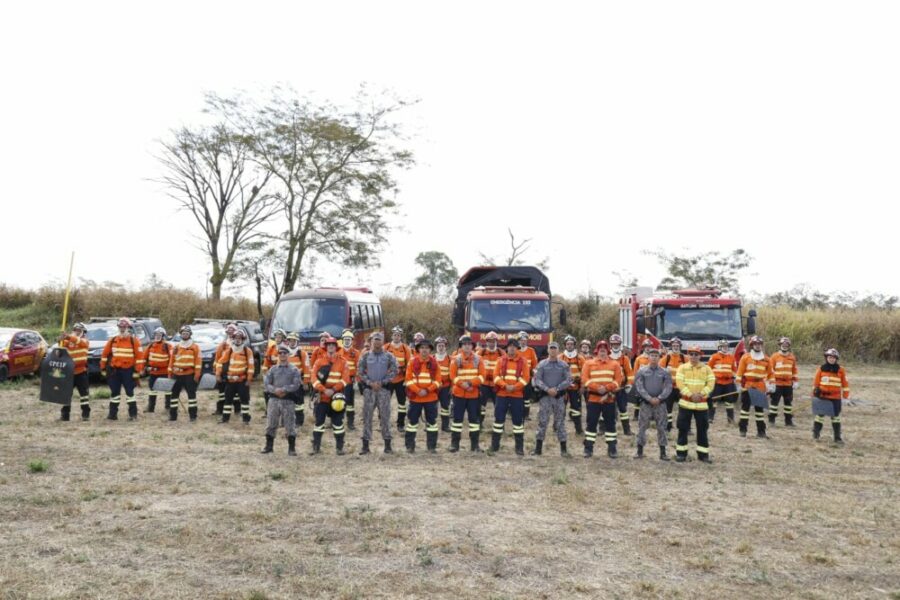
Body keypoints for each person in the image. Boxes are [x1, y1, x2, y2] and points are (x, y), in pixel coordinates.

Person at [357, 332, 398, 455]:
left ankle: (388, 446)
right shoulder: (365, 356)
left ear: (382, 341)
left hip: (384, 391)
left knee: (385, 417)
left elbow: (395, 370)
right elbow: (360, 371)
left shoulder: (389, 356)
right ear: (371, 341)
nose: (377, 342)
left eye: (379, 339)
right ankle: (365, 446)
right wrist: (370, 383)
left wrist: (383, 381)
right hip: (369, 391)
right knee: (367, 417)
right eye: (375, 339)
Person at [581, 340, 623, 458]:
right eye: (600, 349)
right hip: (594, 398)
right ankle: (588, 449)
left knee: (610, 424)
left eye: (604, 349)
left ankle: (612, 449)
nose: (602, 351)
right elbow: (584, 379)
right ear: (597, 351)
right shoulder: (588, 363)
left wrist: (606, 388)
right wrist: (597, 387)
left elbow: (618, 380)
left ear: (608, 351)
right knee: (591, 424)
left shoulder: (615, 364)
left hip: (609, 398)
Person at [531, 341, 574, 456]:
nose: (553, 350)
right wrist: (547, 389)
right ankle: (538, 449)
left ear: (558, 350)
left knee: (560, 423)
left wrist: (557, 389)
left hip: (559, 397)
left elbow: (569, 379)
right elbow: (537, 379)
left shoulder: (564, 365)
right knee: (542, 422)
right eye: (551, 348)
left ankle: (564, 450)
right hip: (545, 398)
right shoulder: (542, 364)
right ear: (548, 350)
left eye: (555, 348)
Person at [674, 346, 715, 463]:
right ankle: (681, 454)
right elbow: (679, 383)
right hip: (686, 404)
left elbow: (711, 384)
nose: (693, 356)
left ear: (700, 355)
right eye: (691, 354)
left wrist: (701, 394)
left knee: (702, 430)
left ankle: (703, 455)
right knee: (682, 429)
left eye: (696, 354)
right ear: (688, 355)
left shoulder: (707, 369)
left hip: (701, 405)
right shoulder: (682, 368)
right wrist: (691, 395)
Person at [310, 337, 350, 455]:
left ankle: (340, 448)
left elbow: (345, 379)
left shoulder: (343, 362)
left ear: (336, 347)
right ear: (326, 347)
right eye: (328, 345)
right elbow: (313, 379)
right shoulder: (319, 361)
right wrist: (323, 389)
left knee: (338, 424)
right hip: (322, 397)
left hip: (337, 397)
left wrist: (333, 389)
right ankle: (316, 447)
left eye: (333, 344)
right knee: (319, 423)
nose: (331, 346)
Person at [490, 339, 530, 455]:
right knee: (498, 421)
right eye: (510, 346)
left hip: (517, 395)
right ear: (506, 348)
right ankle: (494, 446)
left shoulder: (523, 361)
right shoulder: (500, 360)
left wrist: (515, 387)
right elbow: (496, 376)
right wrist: (504, 385)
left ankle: (519, 448)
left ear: (517, 348)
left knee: (518, 422)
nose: (512, 348)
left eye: (514, 346)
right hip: (502, 395)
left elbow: (526, 378)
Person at [100, 317, 145, 421]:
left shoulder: (134, 341)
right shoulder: (112, 340)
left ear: (128, 327)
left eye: (124, 326)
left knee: (130, 393)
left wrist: (137, 371)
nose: (122, 328)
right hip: (114, 371)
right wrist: (103, 368)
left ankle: (133, 415)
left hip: (128, 371)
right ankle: (112, 415)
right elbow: (104, 355)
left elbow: (139, 357)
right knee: (114, 393)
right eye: (120, 326)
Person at [261, 346, 302, 456]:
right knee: (271, 424)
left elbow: (296, 384)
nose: (282, 355)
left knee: (290, 424)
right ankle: (269, 446)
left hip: (288, 401)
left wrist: (284, 389)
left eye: (285, 353)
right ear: (278, 355)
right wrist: (275, 390)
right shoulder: (273, 369)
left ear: (288, 355)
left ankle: (291, 449)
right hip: (274, 400)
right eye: (280, 353)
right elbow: (267, 383)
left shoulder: (294, 370)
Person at [633, 347, 672, 460]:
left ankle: (663, 453)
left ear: (659, 358)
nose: (654, 358)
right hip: (646, 404)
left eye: (656, 356)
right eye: (652, 355)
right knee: (642, 427)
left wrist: (659, 398)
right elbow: (639, 387)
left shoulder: (665, 372)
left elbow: (668, 387)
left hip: (660, 404)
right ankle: (639, 451)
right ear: (648, 357)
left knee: (662, 427)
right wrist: (649, 398)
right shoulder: (642, 371)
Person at [448, 335, 485, 453]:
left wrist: (470, 384)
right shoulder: (456, 359)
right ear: (461, 346)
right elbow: (452, 376)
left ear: (472, 346)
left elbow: (482, 376)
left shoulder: (478, 359)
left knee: (474, 421)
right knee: (457, 421)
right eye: (465, 344)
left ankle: (475, 445)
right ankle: (455, 444)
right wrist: (462, 385)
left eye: (469, 344)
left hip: (473, 395)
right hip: (459, 395)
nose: (467, 346)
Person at [404, 338, 442, 453]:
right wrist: (417, 391)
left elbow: (438, 381)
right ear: (418, 350)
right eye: (422, 348)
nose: (424, 350)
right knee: (412, 423)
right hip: (416, 398)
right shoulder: (412, 362)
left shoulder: (435, 363)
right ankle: (410, 446)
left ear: (430, 350)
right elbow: (408, 380)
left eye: (427, 348)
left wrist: (427, 390)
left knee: (432, 423)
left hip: (431, 398)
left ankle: (431, 447)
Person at [736, 335, 775, 438]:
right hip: (747, 386)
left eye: (759, 344)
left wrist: (771, 385)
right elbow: (740, 372)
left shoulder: (767, 359)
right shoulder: (745, 357)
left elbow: (771, 374)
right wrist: (738, 384)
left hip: (760, 386)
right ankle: (742, 430)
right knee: (745, 410)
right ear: (751, 345)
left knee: (759, 411)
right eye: (755, 344)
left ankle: (761, 432)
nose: (757, 346)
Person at [217, 329, 255, 424]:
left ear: (243, 339)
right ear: (233, 339)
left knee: (244, 400)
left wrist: (249, 379)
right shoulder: (229, 350)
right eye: (236, 338)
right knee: (228, 400)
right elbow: (220, 362)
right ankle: (225, 419)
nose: (238, 340)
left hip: (242, 380)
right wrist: (218, 374)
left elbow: (251, 366)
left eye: (240, 338)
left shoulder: (247, 351)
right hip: (230, 381)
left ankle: (246, 419)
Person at [813, 348, 850, 444]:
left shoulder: (841, 370)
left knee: (836, 417)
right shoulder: (821, 369)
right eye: (830, 357)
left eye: (834, 358)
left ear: (836, 359)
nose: (832, 359)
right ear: (826, 358)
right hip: (823, 397)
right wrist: (815, 392)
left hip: (835, 398)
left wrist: (845, 397)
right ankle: (816, 433)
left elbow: (845, 385)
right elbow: (816, 383)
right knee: (819, 416)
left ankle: (837, 437)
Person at [168, 325, 202, 422]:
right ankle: (173, 416)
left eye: (187, 333)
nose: (185, 335)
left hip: (189, 374)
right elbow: (172, 360)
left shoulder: (195, 347)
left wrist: (197, 375)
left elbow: (198, 362)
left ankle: (193, 416)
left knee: (191, 396)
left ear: (190, 334)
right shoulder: (177, 347)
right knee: (174, 396)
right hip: (177, 374)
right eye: (183, 333)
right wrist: (170, 372)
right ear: (181, 334)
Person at [57, 322, 90, 421]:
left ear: (83, 331)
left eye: (79, 330)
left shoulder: (84, 341)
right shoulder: (69, 341)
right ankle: (65, 415)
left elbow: (78, 341)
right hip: (69, 372)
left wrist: (68, 336)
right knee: (66, 395)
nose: (77, 331)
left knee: (84, 395)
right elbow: (61, 348)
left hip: (81, 372)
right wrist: (60, 340)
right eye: (75, 330)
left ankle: (85, 414)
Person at [476, 331, 504, 429]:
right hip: (483, 384)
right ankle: (479, 423)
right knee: (481, 405)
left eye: (493, 341)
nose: (491, 343)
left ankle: (499, 424)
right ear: (486, 342)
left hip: (496, 384)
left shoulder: (501, 353)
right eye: (490, 341)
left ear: (496, 341)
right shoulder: (481, 352)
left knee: (499, 405)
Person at [386, 326, 413, 432]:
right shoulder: (386, 347)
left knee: (402, 403)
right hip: (388, 380)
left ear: (401, 336)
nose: (396, 337)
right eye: (395, 335)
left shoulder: (406, 348)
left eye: (398, 335)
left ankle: (400, 424)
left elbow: (410, 364)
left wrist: (404, 374)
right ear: (392, 336)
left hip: (401, 380)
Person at [769, 336, 799, 427]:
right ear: (780, 345)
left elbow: (794, 371)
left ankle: (788, 421)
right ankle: (772, 420)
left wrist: (795, 381)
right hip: (777, 384)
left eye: (787, 345)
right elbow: (770, 371)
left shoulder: (792, 357)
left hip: (788, 384)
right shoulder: (774, 356)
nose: (785, 346)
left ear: (789, 346)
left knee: (788, 404)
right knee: (774, 403)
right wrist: (771, 383)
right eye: (783, 344)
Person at [609, 334, 635, 435]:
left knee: (623, 409)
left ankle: (627, 430)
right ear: (610, 345)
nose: (615, 346)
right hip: (609, 388)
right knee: (607, 409)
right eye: (614, 344)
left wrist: (629, 384)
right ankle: (603, 428)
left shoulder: (625, 359)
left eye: (617, 344)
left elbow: (630, 373)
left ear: (620, 345)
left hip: (621, 388)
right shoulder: (607, 357)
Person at [707, 339, 738, 423]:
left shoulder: (732, 357)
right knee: (713, 400)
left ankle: (730, 419)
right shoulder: (714, 356)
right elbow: (708, 369)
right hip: (717, 382)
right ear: (719, 347)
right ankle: (710, 418)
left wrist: (734, 377)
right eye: (723, 346)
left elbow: (735, 370)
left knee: (729, 402)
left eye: (726, 346)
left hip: (728, 383)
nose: (725, 348)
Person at [284, 332, 311, 426]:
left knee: (299, 403)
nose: (292, 342)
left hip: (298, 382)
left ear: (297, 341)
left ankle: (299, 421)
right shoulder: (284, 353)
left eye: (293, 340)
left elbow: (307, 368)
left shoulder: (302, 353)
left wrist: (305, 382)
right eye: (290, 340)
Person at [143, 327, 172, 414]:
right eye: (156, 335)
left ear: (163, 336)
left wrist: (171, 371)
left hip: (164, 372)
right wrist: (144, 368)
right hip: (153, 372)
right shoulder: (151, 346)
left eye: (159, 335)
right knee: (152, 390)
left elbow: (172, 359)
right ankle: (151, 408)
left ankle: (168, 408)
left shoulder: (168, 346)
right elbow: (144, 358)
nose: (157, 337)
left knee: (168, 391)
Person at [560, 335, 585, 435]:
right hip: (563, 388)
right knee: (561, 409)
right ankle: (558, 428)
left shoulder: (580, 358)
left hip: (576, 388)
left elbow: (585, 373)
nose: (569, 346)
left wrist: (583, 386)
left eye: (571, 344)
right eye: (567, 344)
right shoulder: (560, 357)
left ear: (574, 345)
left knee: (576, 409)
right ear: (565, 345)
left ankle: (578, 430)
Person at [212, 323, 238, 416]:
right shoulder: (222, 345)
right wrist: (216, 372)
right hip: (223, 371)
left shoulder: (240, 345)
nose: (230, 334)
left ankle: (237, 411)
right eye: (229, 332)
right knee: (221, 392)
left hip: (234, 371)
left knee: (235, 393)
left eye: (232, 331)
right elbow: (217, 359)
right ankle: (220, 410)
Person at [660, 337, 685, 432]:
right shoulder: (666, 358)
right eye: (674, 345)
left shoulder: (684, 358)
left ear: (680, 346)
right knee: (668, 408)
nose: (675, 347)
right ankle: (668, 426)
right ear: (671, 346)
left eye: (677, 346)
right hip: (669, 387)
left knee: (684, 408)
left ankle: (684, 427)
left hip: (681, 387)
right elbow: (659, 372)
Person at [339, 329, 361, 431]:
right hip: (338, 382)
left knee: (350, 404)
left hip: (349, 381)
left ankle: (350, 422)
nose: (347, 341)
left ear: (352, 341)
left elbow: (359, 367)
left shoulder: (356, 353)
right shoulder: (338, 352)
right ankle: (337, 420)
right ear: (342, 340)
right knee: (337, 400)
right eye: (345, 339)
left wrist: (357, 380)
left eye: (349, 339)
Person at [517, 331, 539, 420]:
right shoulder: (516, 350)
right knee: (517, 396)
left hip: (527, 378)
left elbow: (534, 364)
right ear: (518, 341)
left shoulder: (531, 351)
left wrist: (534, 375)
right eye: (521, 340)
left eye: (525, 340)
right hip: (517, 378)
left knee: (526, 398)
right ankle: (515, 413)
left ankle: (526, 415)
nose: (523, 342)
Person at [434, 337, 453, 432]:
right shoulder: (432, 358)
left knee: (445, 407)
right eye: (439, 346)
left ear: (445, 347)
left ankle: (445, 426)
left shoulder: (450, 359)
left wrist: (452, 386)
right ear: (436, 347)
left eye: (442, 346)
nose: (441, 348)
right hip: (434, 387)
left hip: (446, 387)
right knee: (432, 406)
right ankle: (430, 424)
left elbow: (453, 374)